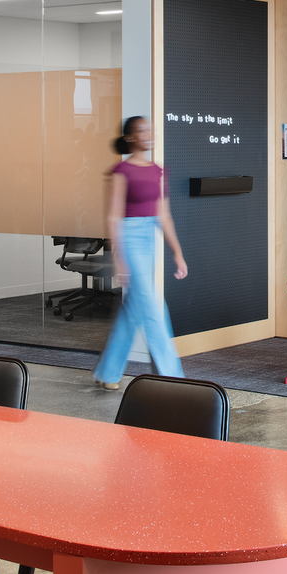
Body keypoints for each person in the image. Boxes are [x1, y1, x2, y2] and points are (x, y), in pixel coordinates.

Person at [94, 116, 188, 389]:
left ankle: (108, 373)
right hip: (129, 238)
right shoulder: (121, 171)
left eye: (150, 129)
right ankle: (171, 378)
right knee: (153, 307)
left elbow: (164, 216)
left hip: (149, 240)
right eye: (142, 130)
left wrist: (177, 252)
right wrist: (119, 258)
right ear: (130, 137)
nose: (149, 133)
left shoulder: (158, 170)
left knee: (133, 309)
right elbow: (113, 217)